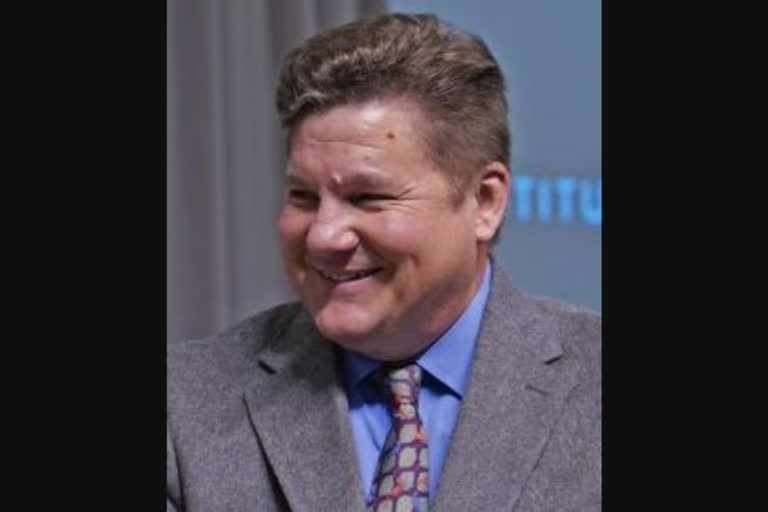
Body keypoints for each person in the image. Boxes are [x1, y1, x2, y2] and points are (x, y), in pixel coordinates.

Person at [167, 12, 600, 512]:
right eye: (303, 196)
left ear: (484, 201)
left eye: (368, 197)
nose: (323, 236)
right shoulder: (183, 406)